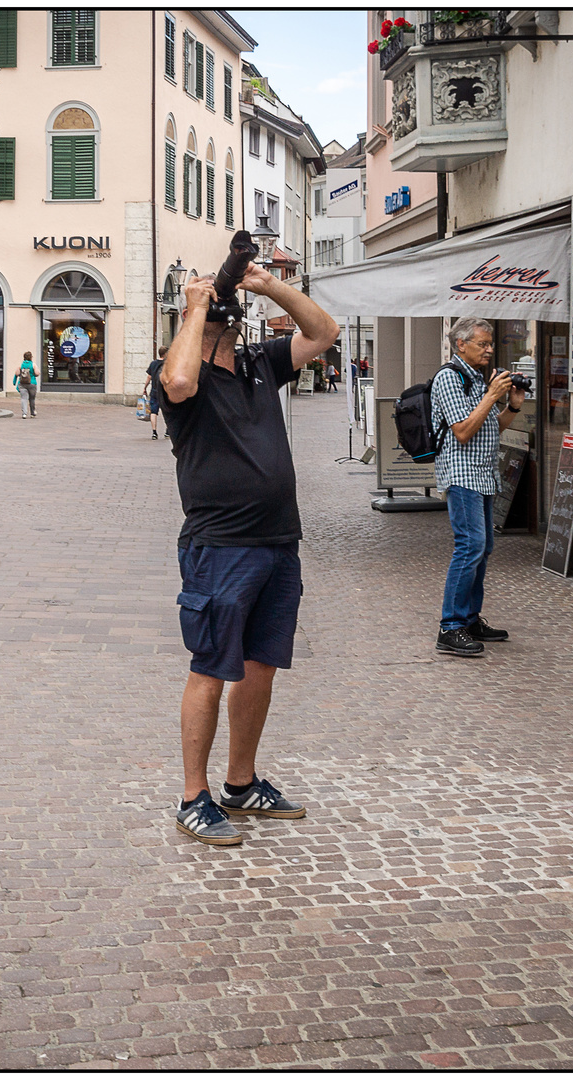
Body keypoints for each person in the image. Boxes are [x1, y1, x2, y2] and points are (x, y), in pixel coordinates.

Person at [159, 256, 340, 846]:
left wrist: (268, 285)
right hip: (220, 546)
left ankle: (240, 784)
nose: (231, 317)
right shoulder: (175, 372)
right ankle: (193, 796)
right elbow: (180, 381)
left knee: (261, 666)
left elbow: (324, 333)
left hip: (277, 542)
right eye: (224, 310)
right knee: (212, 667)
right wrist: (193, 309)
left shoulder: (261, 363)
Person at [432, 316, 526, 658]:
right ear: (461, 345)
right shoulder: (449, 378)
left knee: (482, 548)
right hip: (461, 473)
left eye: (490, 344)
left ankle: (469, 619)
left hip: (484, 473)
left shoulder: (476, 378)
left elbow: (490, 428)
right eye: (482, 344)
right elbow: (463, 431)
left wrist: (511, 405)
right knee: (470, 546)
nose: (489, 350)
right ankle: (450, 626)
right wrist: (491, 395)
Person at [144, 345, 169, 440]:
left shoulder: (153, 363)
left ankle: (154, 432)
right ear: (165, 354)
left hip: (154, 390)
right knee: (167, 411)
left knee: (154, 412)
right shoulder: (168, 364)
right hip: (165, 391)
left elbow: (149, 377)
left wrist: (145, 387)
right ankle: (167, 431)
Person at [13, 350, 38, 418]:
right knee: (32, 399)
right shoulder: (33, 364)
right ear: (31, 357)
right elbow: (37, 373)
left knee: (24, 398)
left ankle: (24, 413)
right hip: (32, 383)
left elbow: (17, 373)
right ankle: (32, 412)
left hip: (22, 383)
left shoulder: (21, 365)